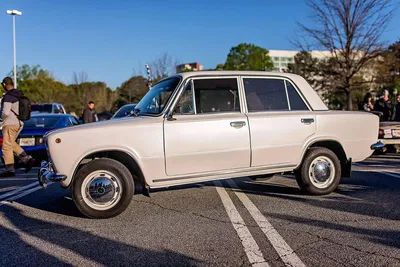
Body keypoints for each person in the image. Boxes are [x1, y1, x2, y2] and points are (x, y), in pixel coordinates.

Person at [0, 77, 35, 177]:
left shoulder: (8, 96)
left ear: (4, 85)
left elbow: (5, 112)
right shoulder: (18, 94)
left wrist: (1, 120)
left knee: (6, 146)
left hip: (9, 123)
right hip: (19, 123)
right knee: (11, 143)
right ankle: (27, 159)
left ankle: (9, 169)